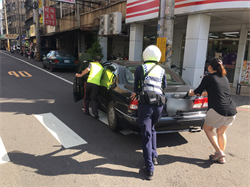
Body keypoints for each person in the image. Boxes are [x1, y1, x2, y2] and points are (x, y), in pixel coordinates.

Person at [188, 58, 237, 164]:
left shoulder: (208, 78)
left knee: (207, 129)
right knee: (221, 132)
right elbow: (215, 92)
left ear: (210, 67)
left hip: (217, 109)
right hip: (232, 110)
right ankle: (221, 156)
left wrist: (190, 93)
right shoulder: (224, 78)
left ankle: (219, 152)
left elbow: (198, 92)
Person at [130, 45, 167, 180]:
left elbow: (136, 86)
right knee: (152, 129)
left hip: (146, 104)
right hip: (159, 104)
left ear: (145, 56)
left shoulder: (141, 68)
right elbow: (164, 86)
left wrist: (136, 93)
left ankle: (150, 168)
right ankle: (154, 155)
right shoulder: (162, 70)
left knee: (146, 134)